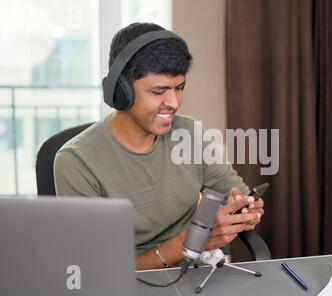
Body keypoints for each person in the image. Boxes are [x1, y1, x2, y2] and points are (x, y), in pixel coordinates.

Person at [54, 22, 264, 270]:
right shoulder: (76, 161)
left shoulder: (189, 133)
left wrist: (244, 211)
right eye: (158, 91)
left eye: (179, 88)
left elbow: (235, 192)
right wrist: (186, 244)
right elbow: (95, 270)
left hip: (197, 277)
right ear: (121, 91)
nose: (174, 102)